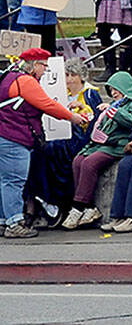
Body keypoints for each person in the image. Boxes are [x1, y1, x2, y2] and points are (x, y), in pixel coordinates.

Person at [0, 49, 87, 237]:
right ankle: (14, 223)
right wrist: (73, 117)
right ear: (34, 64)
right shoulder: (25, 81)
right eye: (44, 66)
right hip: (14, 138)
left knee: (4, 181)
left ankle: (3, 220)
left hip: (4, 135)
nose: (45, 71)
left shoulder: (8, 76)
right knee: (14, 181)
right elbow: (47, 104)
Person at [23, 58, 98, 228]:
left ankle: (53, 201)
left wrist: (82, 110)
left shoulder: (90, 93)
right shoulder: (58, 92)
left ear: (81, 76)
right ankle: (41, 199)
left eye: (73, 75)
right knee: (39, 152)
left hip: (80, 138)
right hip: (60, 136)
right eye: (67, 75)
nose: (70, 79)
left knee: (53, 151)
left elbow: (94, 122)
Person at [63, 71, 132, 230]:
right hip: (103, 142)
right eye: (111, 90)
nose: (114, 93)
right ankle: (88, 206)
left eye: (117, 89)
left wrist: (114, 111)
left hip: (118, 144)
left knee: (90, 163)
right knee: (78, 160)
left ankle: (77, 207)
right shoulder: (116, 103)